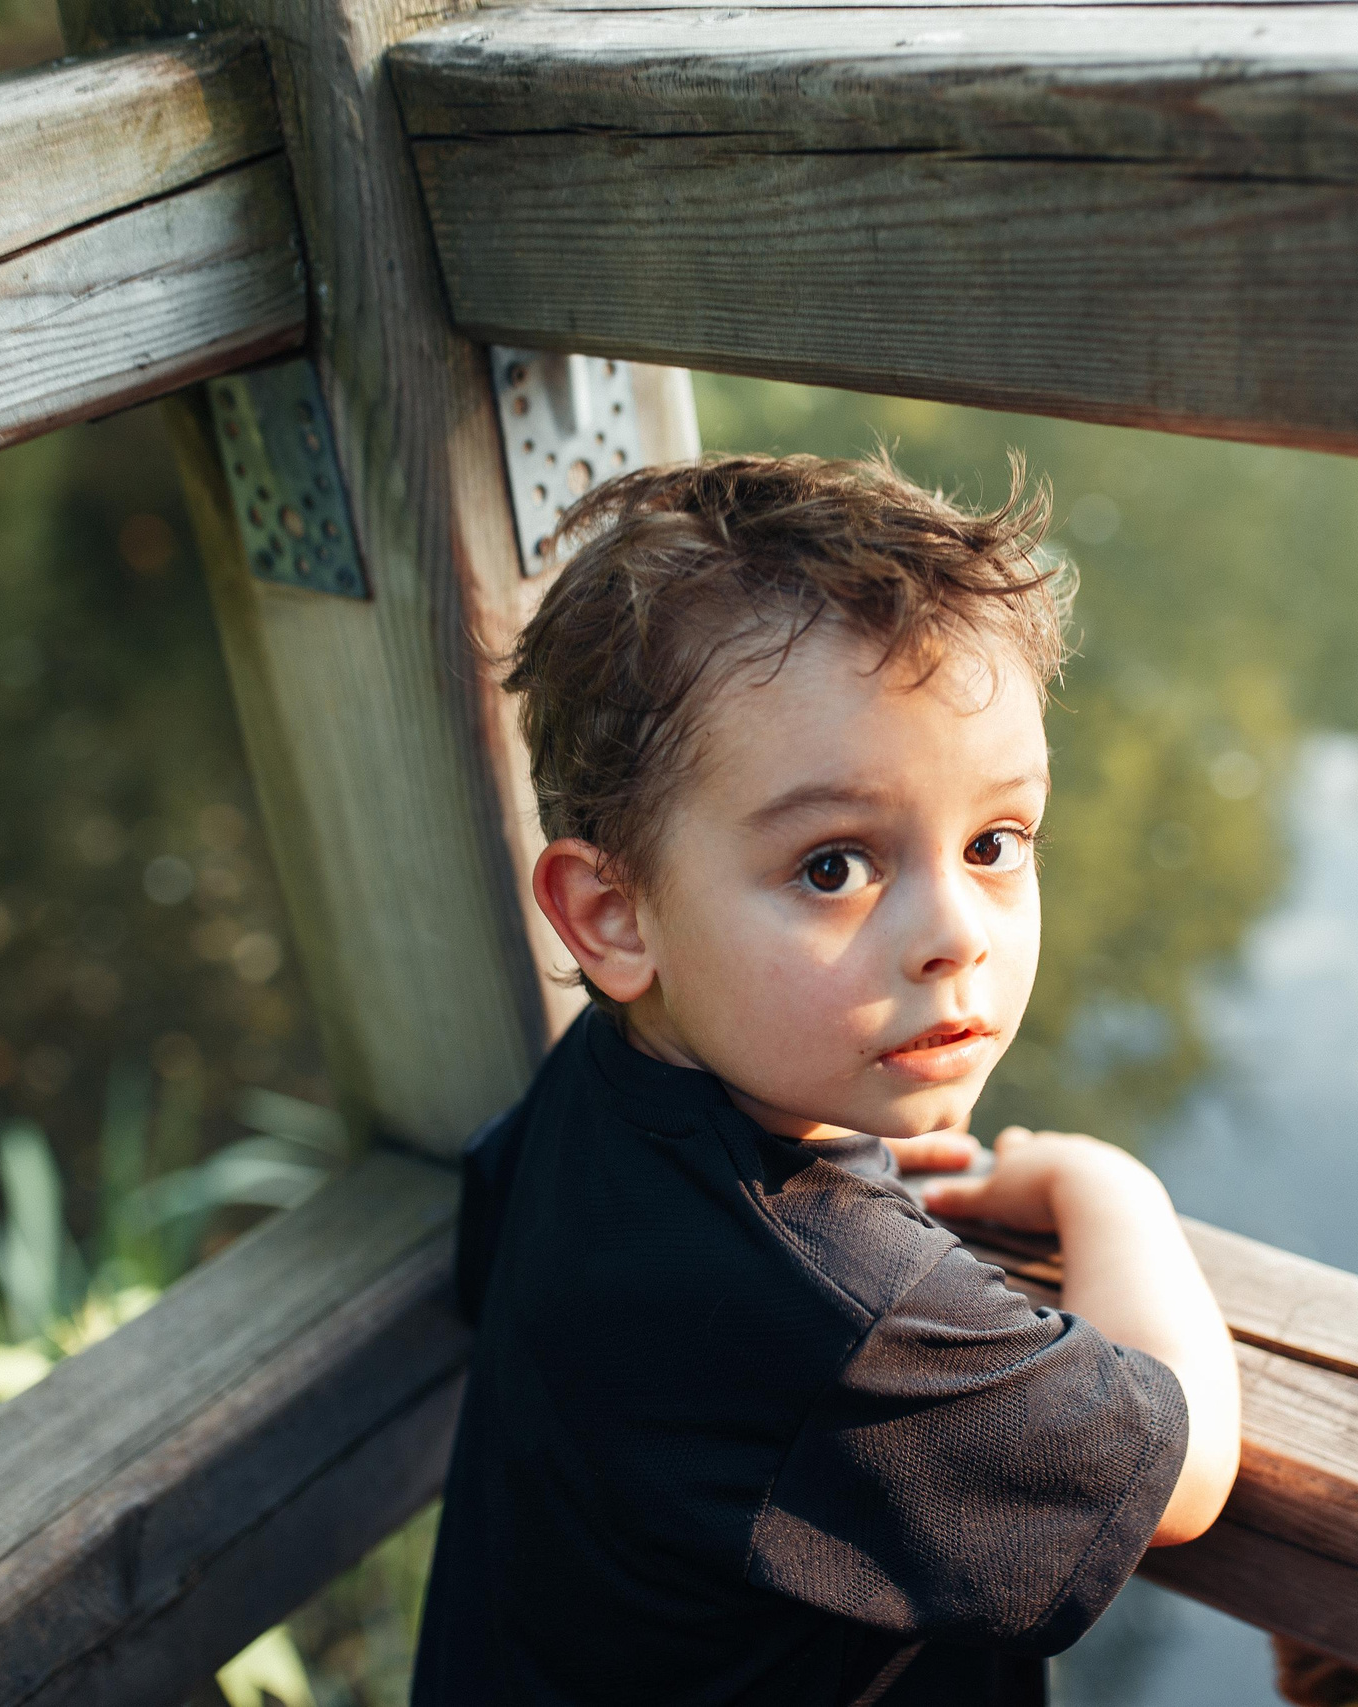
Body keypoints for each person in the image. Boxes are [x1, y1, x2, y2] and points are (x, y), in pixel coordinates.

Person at [412, 454, 1241, 1706]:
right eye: (833, 866)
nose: (954, 932)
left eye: (994, 842)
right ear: (613, 915)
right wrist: (1108, 1190)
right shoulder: (843, 1313)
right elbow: (1178, 1477)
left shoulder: (600, 1094)